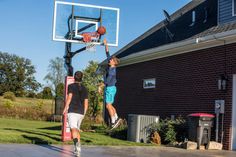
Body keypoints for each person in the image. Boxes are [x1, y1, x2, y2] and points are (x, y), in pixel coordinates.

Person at [63, 71, 88, 157]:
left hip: (72, 111)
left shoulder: (71, 86)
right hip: (80, 112)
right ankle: (78, 147)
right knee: (76, 129)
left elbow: (69, 98)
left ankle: (76, 145)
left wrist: (65, 108)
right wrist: (84, 113)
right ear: (82, 78)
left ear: (74, 77)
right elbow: (86, 102)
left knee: (73, 129)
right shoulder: (84, 88)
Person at [98, 38, 121, 129]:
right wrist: (106, 44)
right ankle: (116, 118)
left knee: (108, 106)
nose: (110, 60)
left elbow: (106, 82)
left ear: (114, 63)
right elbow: (107, 53)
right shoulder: (110, 66)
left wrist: (100, 87)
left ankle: (113, 121)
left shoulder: (112, 71)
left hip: (110, 89)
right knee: (110, 105)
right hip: (111, 88)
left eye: (111, 60)